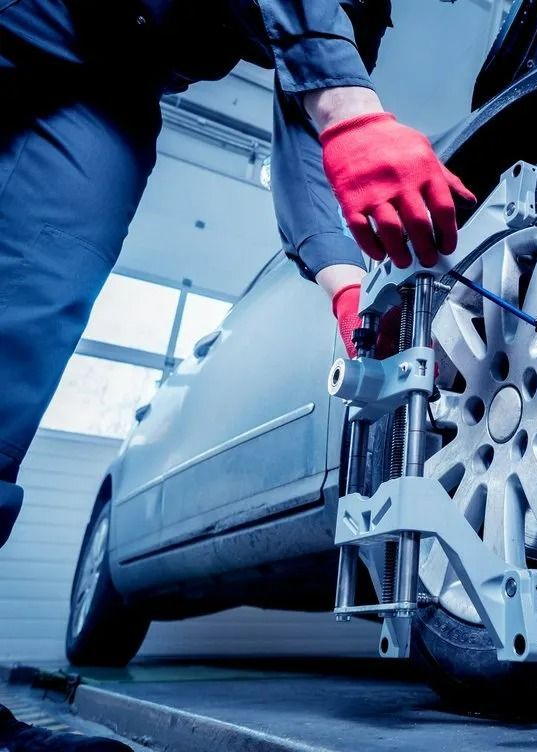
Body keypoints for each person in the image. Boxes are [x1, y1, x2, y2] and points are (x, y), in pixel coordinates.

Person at [0, 1, 472, 747]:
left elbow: (306, 142)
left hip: (119, 82)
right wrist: (351, 107)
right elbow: (326, 91)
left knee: (22, 326)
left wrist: (347, 287)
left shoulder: (364, 13)